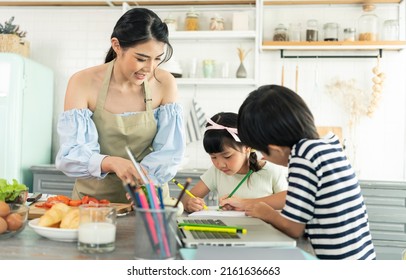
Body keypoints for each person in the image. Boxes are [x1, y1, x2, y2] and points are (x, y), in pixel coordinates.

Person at [55, 8, 185, 203]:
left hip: (148, 200)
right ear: (116, 45)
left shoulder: (164, 83)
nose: (150, 69)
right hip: (93, 203)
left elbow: (170, 152)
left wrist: (145, 183)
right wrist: (111, 162)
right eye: (141, 59)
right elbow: (71, 154)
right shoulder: (82, 82)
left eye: (157, 59)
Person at [237, 84, 376, 260]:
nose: (263, 158)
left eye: (263, 152)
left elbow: (294, 228)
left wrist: (266, 213)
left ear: (275, 149)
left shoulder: (303, 155)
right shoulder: (330, 145)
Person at [182, 112, 288, 213]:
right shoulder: (216, 172)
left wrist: (244, 203)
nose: (220, 164)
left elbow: (289, 201)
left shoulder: (272, 170)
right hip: (228, 230)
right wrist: (189, 203)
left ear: (247, 147)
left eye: (227, 156)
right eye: (213, 157)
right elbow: (186, 198)